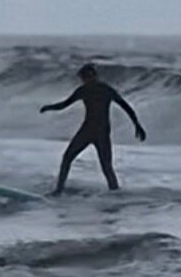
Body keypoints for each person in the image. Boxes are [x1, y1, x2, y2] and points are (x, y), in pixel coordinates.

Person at [40, 63, 146, 195]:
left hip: (100, 132)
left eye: (87, 77)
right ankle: (58, 190)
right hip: (88, 130)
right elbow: (64, 104)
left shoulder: (105, 90)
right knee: (67, 158)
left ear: (94, 76)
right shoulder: (83, 90)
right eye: (84, 78)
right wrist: (48, 108)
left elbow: (125, 107)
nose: (86, 80)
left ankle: (115, 193)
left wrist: (137, 125)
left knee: (106, 167)